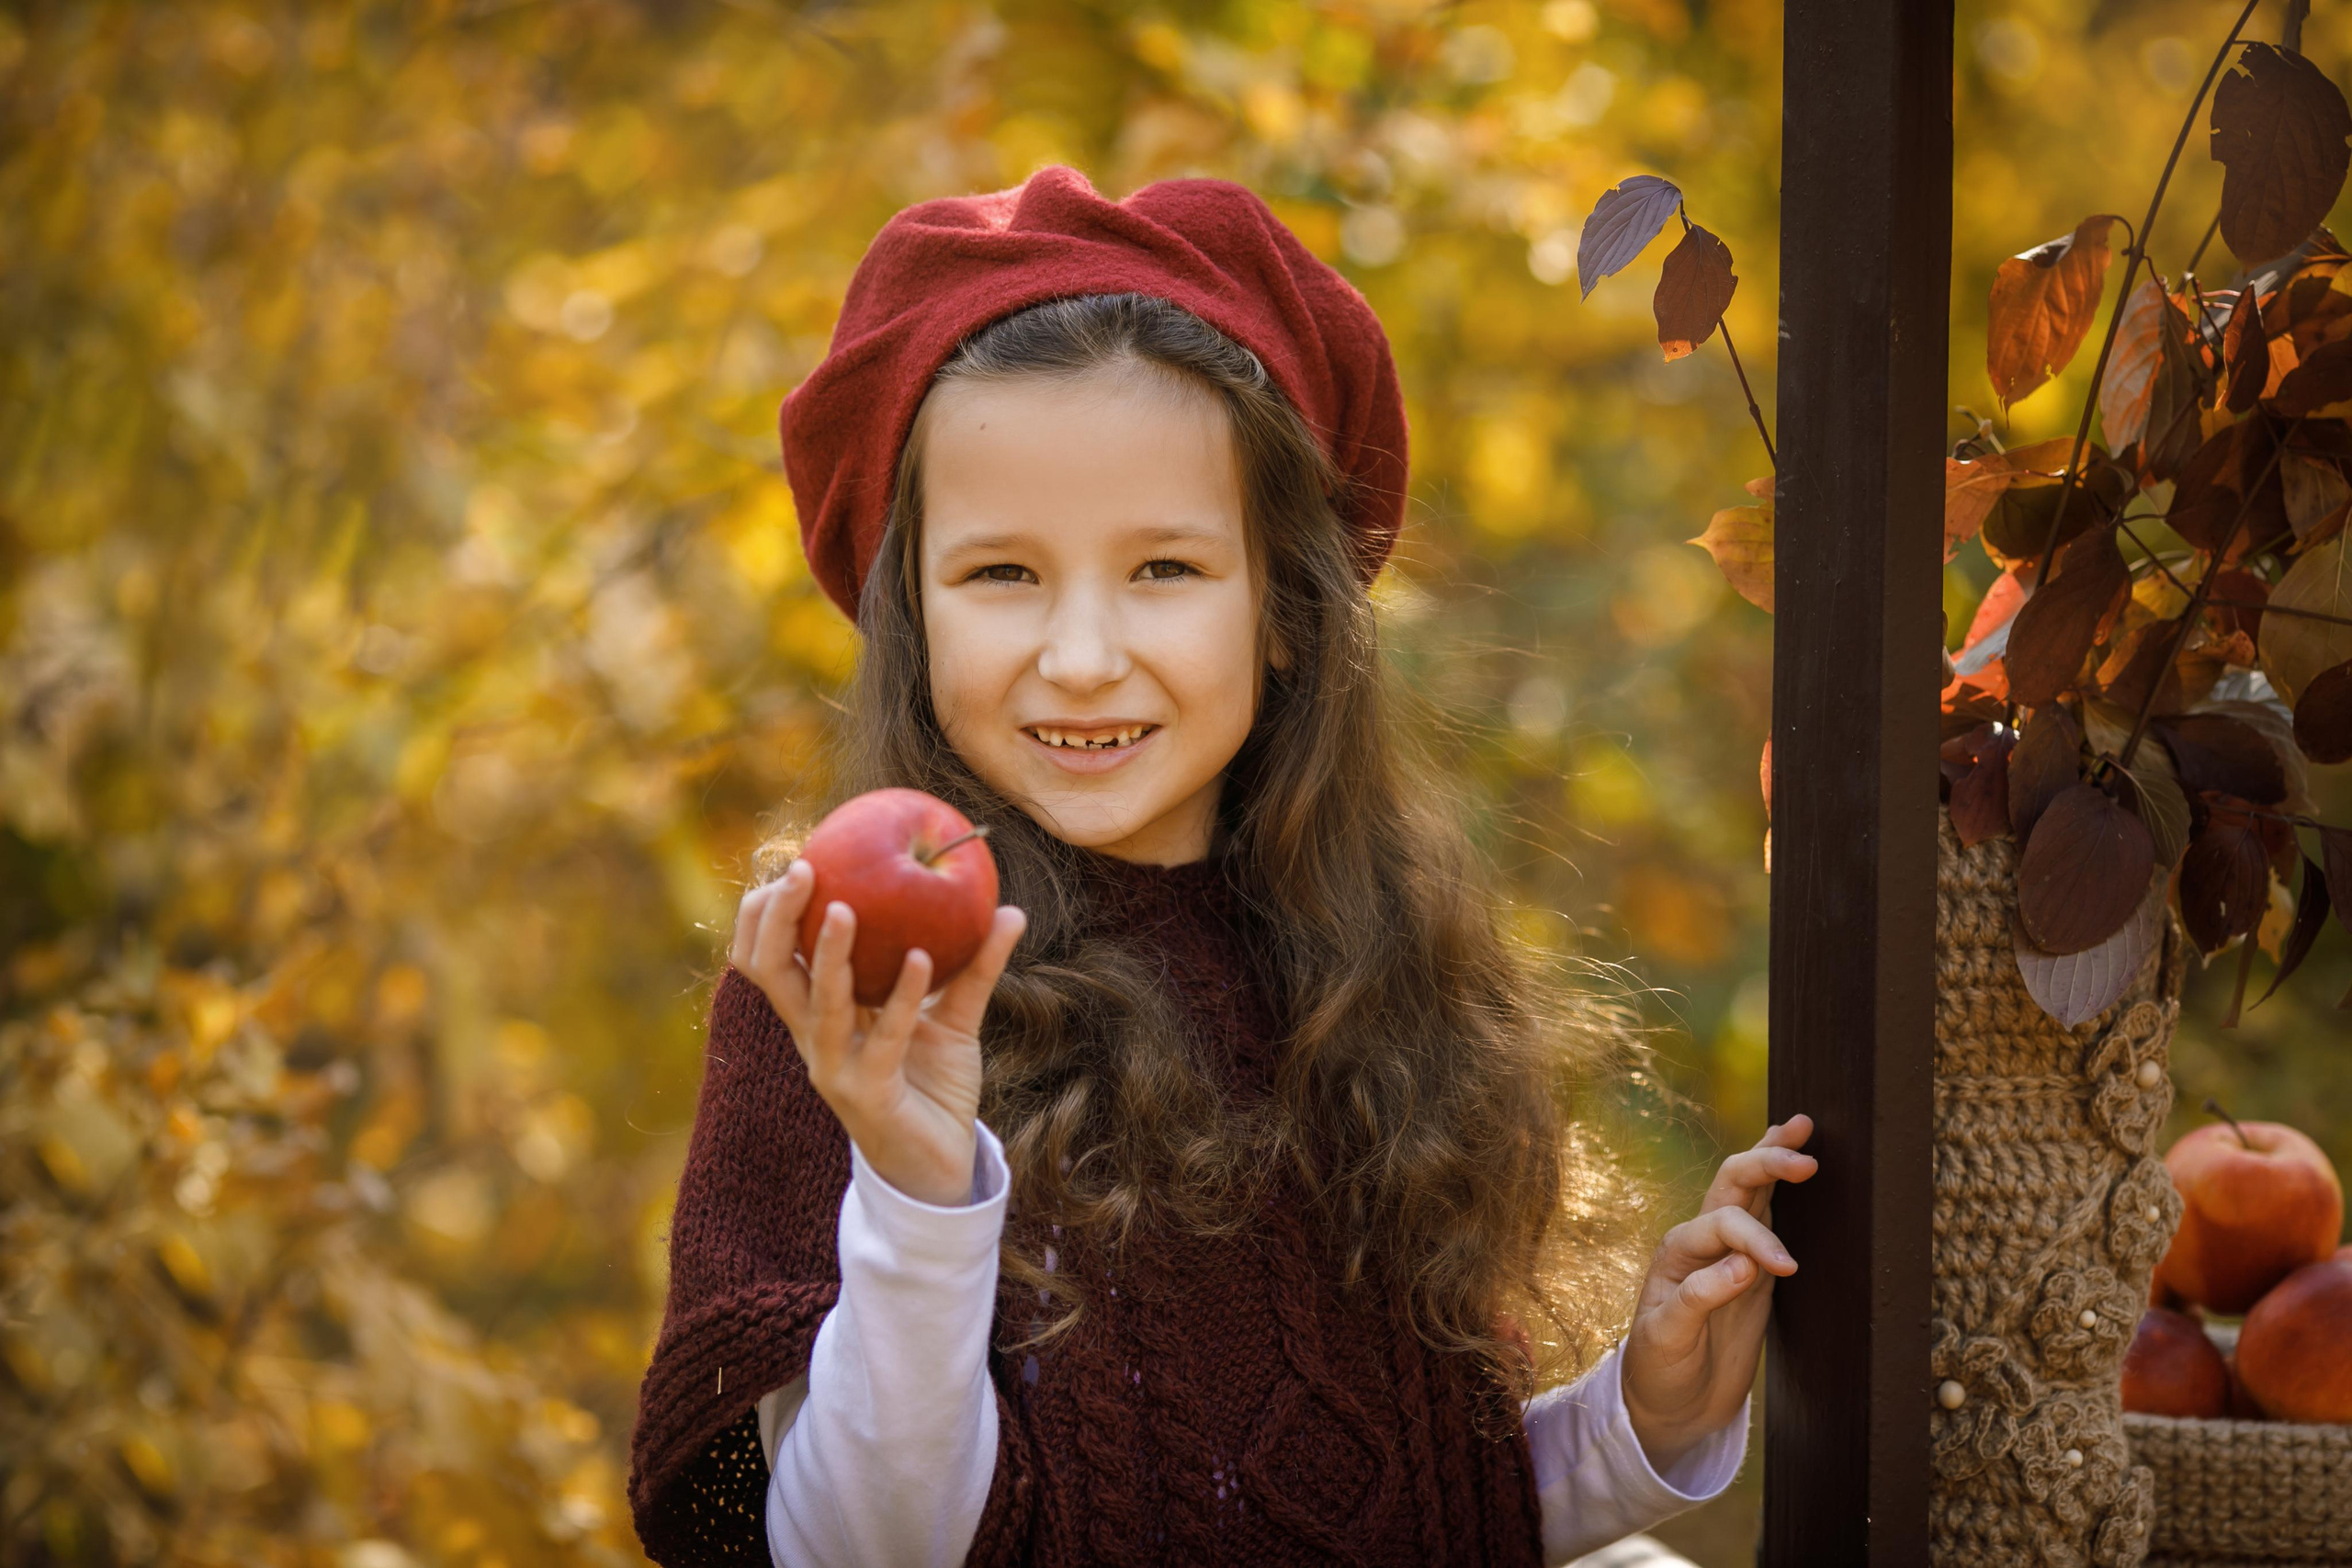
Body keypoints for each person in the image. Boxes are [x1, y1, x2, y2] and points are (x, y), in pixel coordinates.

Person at [626, 164, 1816, 1568]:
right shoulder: (844, 989)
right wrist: (913, 1179)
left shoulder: (1363, 971)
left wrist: (1642, 1421)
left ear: (1283, 612)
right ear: (911, 610)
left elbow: (1400, 1506)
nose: (1079, 655)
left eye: (1164, 571)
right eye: (1002, 574)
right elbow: (857, 1548)